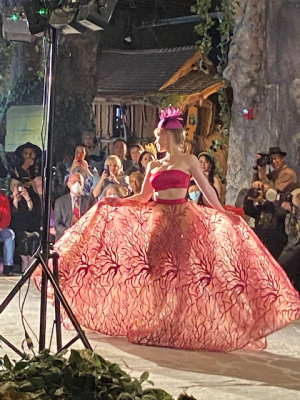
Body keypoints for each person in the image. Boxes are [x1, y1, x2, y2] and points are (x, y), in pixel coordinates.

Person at [33, 107, 300, 352]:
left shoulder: (189, 160)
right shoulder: (153, 165)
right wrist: (118, 201)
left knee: (181, 272)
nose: (156, 140)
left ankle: (177, 322)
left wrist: (224, 213)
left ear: (169, 135)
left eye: (159, 135)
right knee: (153, 270)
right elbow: (142, 197)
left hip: (183, 219)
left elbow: (208, 192)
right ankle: (155, 318)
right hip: (158, 220)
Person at [54, 173, 95, 241]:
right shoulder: (60, 202)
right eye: (74, 182)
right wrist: (66, 231)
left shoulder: (90, 201)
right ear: (68, 184)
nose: (77, 184)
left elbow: (92, 220)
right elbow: (57, 222)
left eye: (79, 182)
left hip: (83, 237)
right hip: (65, 238)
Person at [0, 191, 15, 275]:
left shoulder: (3, 199)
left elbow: (7, 218)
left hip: (0, 228)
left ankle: (8, 266)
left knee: (10, 234)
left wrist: (1, 227)